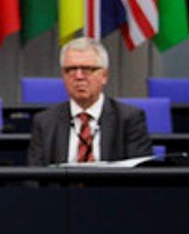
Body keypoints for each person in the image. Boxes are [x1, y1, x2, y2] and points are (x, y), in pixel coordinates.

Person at [27, 37, 153, 166]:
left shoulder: (129, 119)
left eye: (87, 69)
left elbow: (140, 175)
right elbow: (34, 177)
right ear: (63, 76)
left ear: (104, 76)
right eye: (71, 69)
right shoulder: (45, 121)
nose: (79, 77)